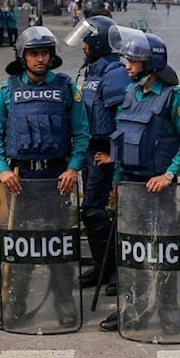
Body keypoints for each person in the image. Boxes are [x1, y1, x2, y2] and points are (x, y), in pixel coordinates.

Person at [98, 27, 180, 333]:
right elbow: (120, 141)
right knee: (133, 253)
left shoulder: (173, 97)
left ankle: (168, 309)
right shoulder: (131, 93)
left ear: (150, 64)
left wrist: (168, 175)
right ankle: (135, 308)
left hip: (160, 191)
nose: (127, 66)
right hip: (131, 188)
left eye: (133, 60)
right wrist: (116, 184)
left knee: (164, 252)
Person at [0, 26, 89, 329]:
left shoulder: (65, 87)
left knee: (59, 245)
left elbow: (81, 133)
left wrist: (73, 168)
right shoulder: (7, 91)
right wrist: (2, 170)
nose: (40, 59)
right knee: (22, 248)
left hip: (57, 179)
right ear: (23, 57)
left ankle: (65, 303)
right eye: (34, 54)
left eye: (44, 53)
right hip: (20, 181)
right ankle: (15, 306)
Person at [65, 16, 132, 294]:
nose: (82, 46)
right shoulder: (93, 70)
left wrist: (115, 159)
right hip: (91, 151)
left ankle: (116, 269)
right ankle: (102, 266)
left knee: (100, 210)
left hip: (106, 152)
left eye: (86, 40)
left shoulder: (114, 73)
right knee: (91, 209)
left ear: (98, 41)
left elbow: (122, 121)